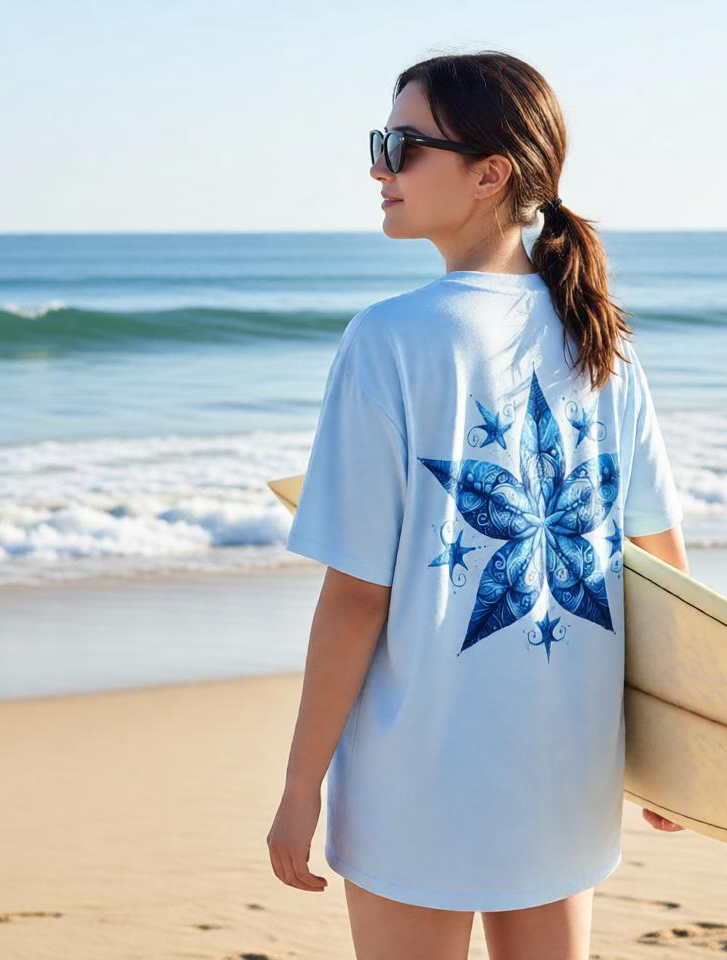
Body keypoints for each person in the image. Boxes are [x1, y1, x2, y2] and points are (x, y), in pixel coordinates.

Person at [267, 50, 689, 960]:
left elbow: (356, 596)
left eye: (403, 145)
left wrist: (301, 788)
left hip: (422, 776)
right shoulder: (599, 338)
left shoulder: (388, 339)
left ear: (491, 172)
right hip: (565, 777)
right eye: (381, 142)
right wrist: (683, 750)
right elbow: (658, 558)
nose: (379, 166)